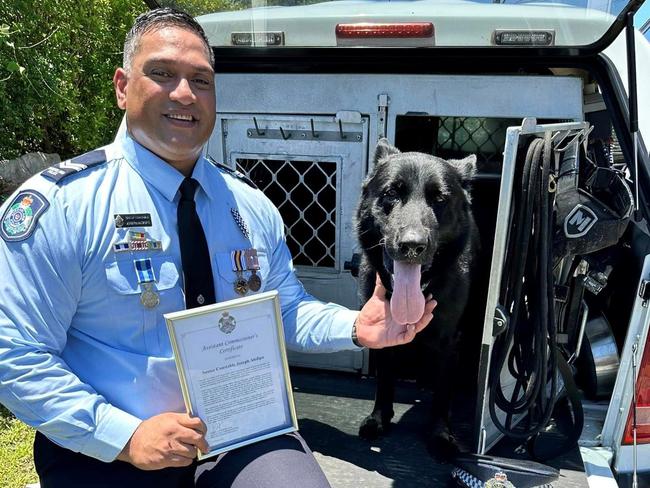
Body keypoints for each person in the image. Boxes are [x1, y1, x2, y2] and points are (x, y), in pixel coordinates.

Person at [0, 8, 435, 488]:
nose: (185, 94)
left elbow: (283, 310)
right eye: (163, 74)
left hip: (240, 430)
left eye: (201, 80)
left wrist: (357, 327)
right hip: (107, 450)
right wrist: (125, 437)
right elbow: (16, 354)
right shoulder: (61, 207)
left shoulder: (250, 205)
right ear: (123, 86)